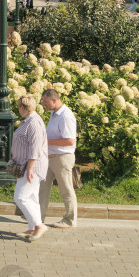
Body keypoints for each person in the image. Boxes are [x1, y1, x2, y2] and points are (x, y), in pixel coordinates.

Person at [12, 95, 49, 241]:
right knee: (32, 197)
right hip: (28, 165)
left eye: (18, 107)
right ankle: (32, 228)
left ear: (22, 107)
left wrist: (30, 168)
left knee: (20, 197)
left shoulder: (33, 122)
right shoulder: (30, 120)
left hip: (32, 165)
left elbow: (35, 147)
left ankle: (39, 225)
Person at [39, 89, 78, 229]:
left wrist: (47, 141)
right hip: (50, 157)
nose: (44, 104)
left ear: (54, 100)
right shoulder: (54, 113)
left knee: (66, 189)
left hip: (62, 158)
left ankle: (70, 219)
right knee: (42, 187)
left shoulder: (66, 116)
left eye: (45, 101)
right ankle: (38, 218)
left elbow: (69, 141)